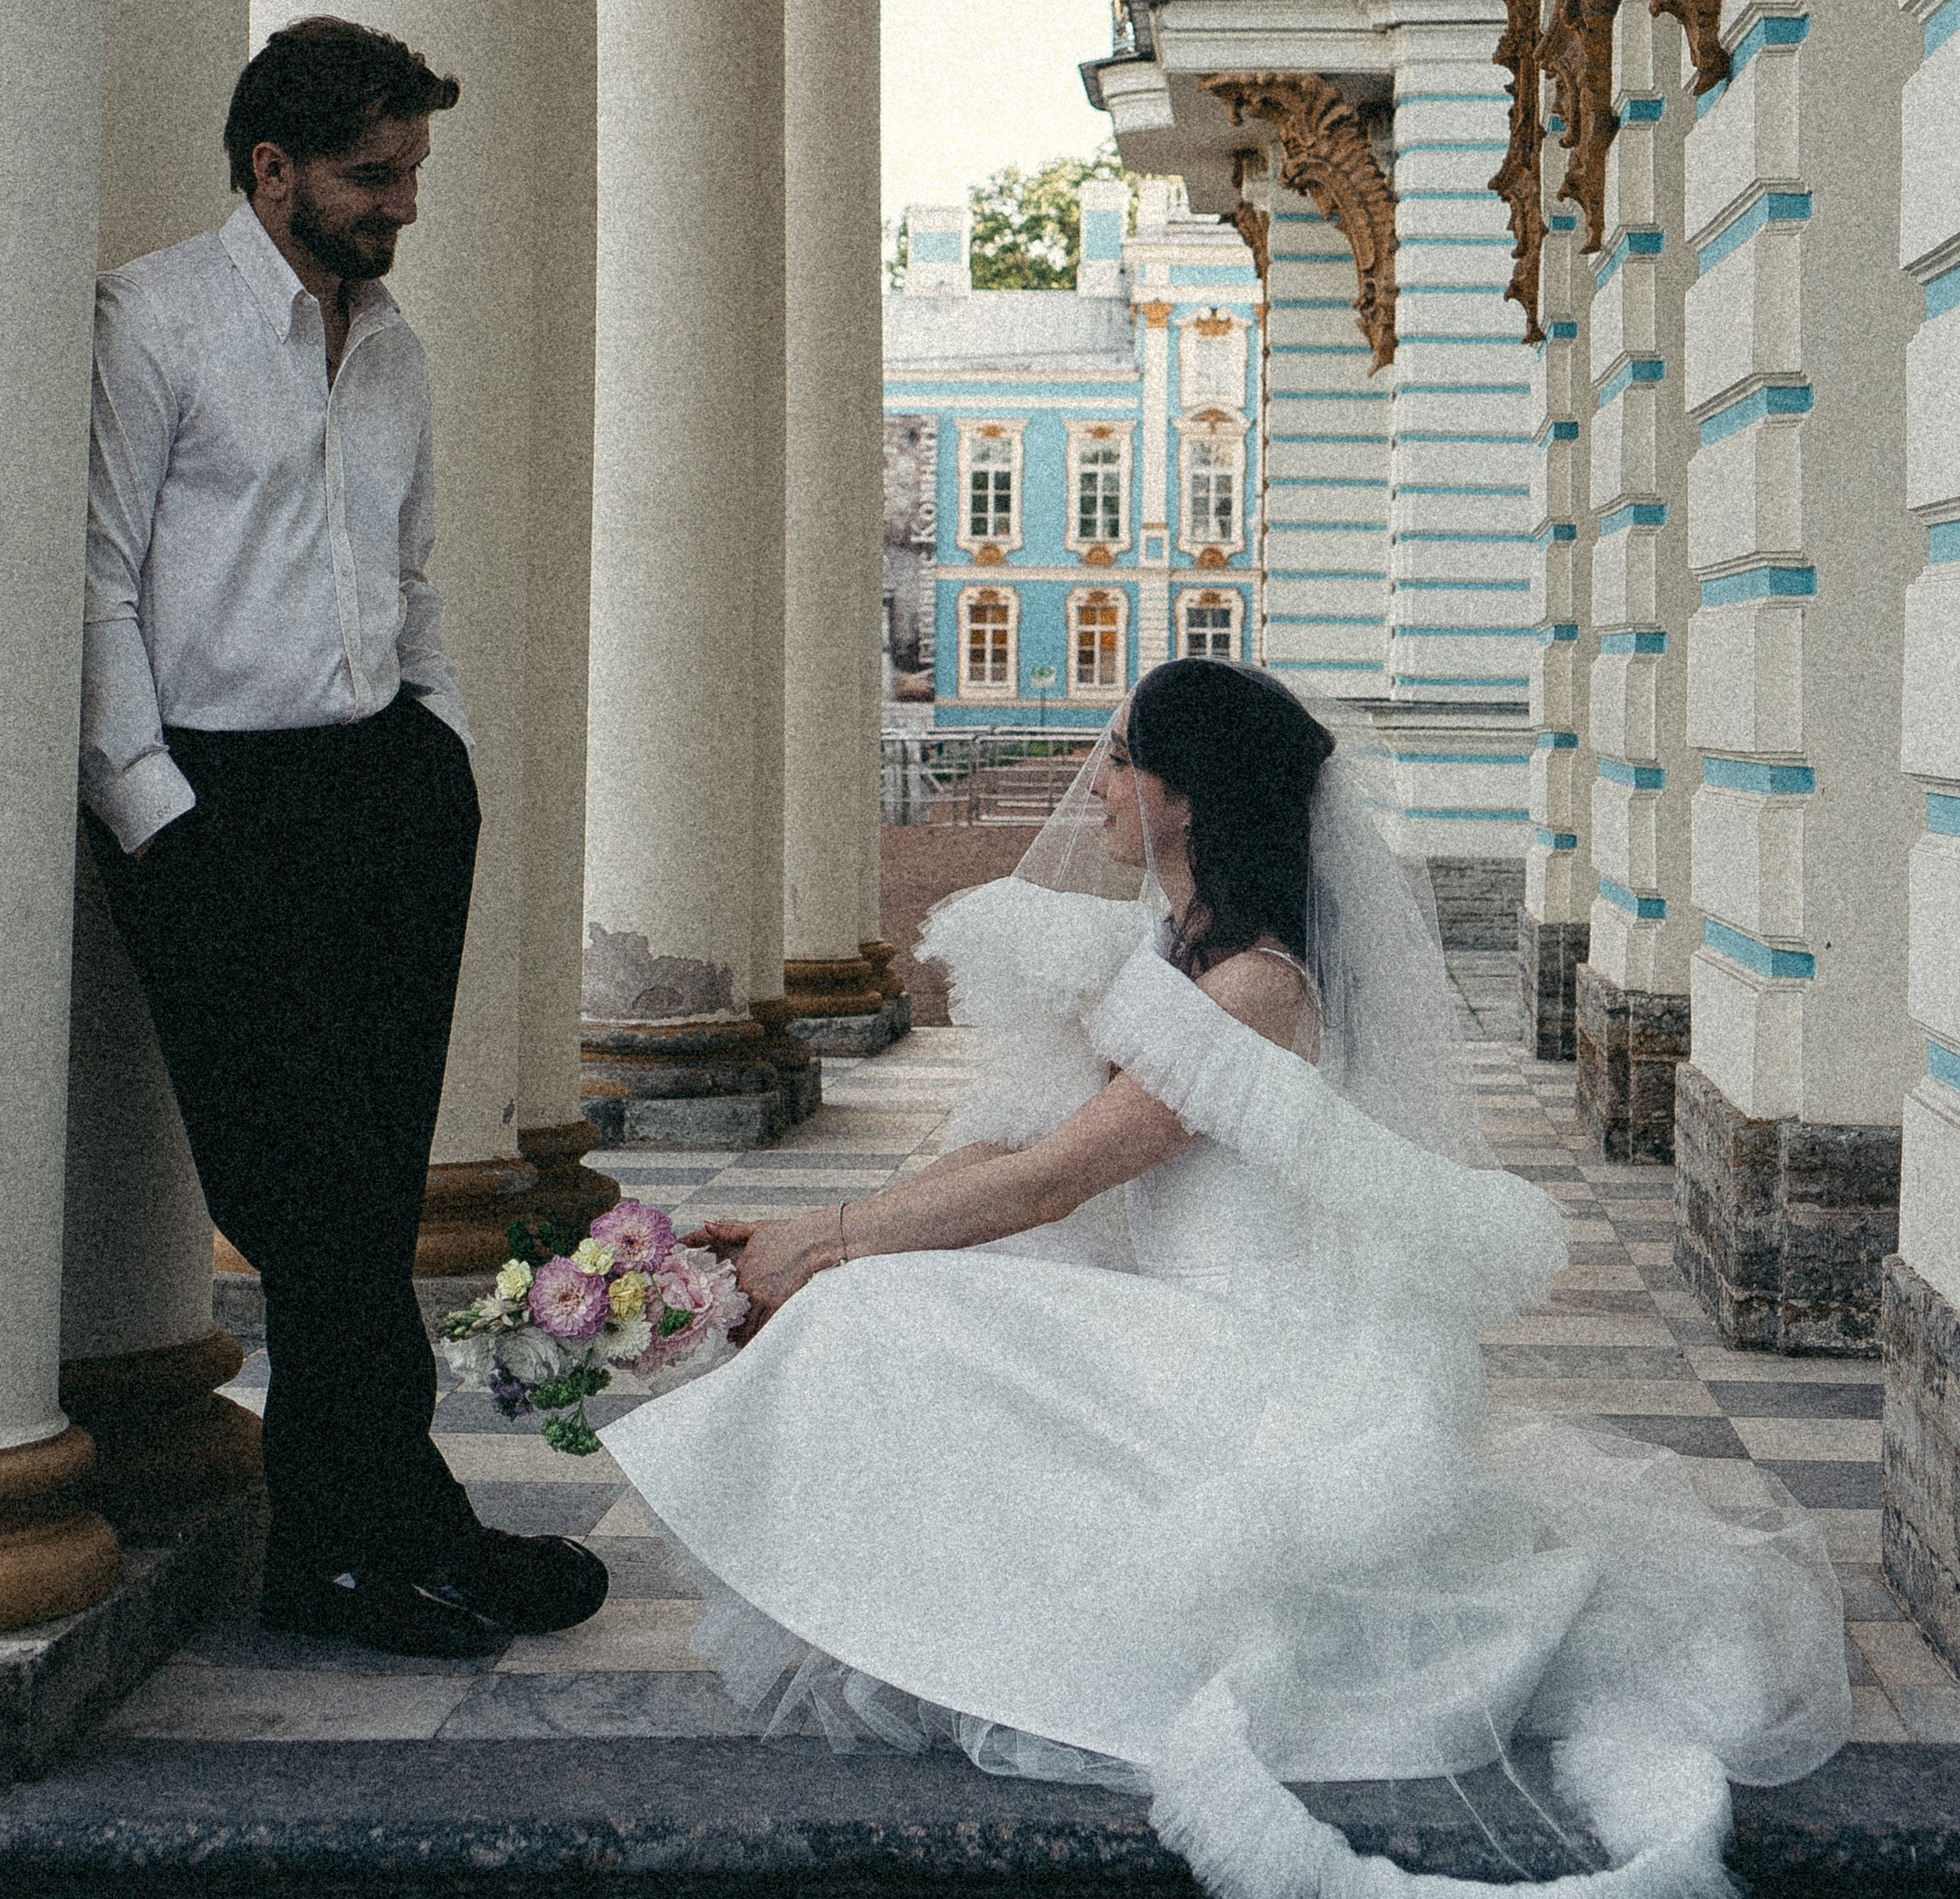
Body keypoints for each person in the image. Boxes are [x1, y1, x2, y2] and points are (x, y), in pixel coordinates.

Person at [602, 659, 1850, 1899]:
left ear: (1186, 797)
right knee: (889, 1288)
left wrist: (830, 1243)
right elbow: (1011, 1151)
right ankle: (935, 1618)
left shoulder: (1252, 986)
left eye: (1116, 757)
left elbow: (1055, 1184)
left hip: (1259, 1352)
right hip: (1181, 1316)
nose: (1089, 783)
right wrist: (814, 1227)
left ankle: (979, 1637)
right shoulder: (1170, 952)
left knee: (886, 1303)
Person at [79, 15, 606, 1658]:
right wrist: (156, 813)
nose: (404, 206)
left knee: (367, 1202)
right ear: (272, 170)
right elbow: (92, 580)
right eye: (375, 176)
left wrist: (433, 745)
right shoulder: (152, 323)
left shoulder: (392, 348)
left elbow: (408, 570)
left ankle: (381, 1532)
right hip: (215, 816)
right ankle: (355, 1548)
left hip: (380, 796)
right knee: (304, 1202)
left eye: (411, 173)